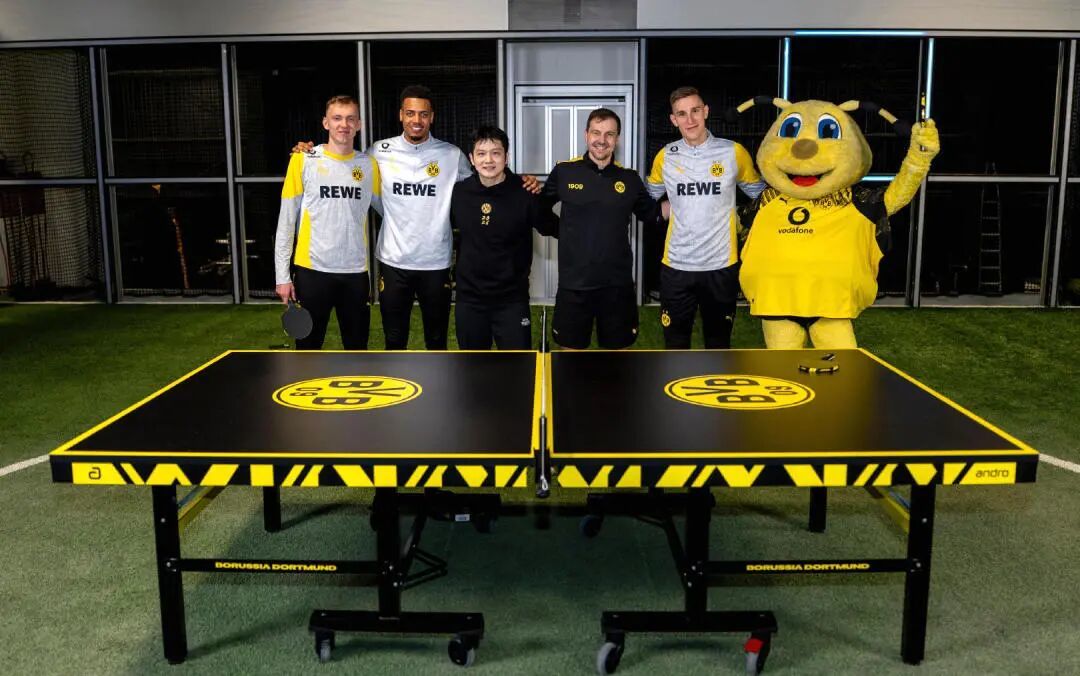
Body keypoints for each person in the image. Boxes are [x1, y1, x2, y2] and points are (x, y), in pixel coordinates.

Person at [293, 85, 539, 350]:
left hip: (436, 264)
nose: (416, 120)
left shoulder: (451, 155)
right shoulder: (379, 151)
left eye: (423, 114)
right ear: (401, 115)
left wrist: (519, 181)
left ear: (432, 117)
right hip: (393, 262)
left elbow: (487, 177)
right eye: (410, 113)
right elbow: (346, 161)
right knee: (394, 341)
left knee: (437, 342)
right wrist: (310, 151)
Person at [645, 86, 767, 349]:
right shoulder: (665, 156)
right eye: (682, 114)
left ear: (706, 112)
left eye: (695, 111)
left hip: (721, 267)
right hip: (676, 267)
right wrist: (668, 208)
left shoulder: (733, 152)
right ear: (673, 120)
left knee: (718, 345)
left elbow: (761, 195)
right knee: (675, 347)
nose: (690, 120)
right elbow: (646, 199)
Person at [540, 108, 663, 350]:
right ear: (586, 135)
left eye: (609, 134)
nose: (602, 140)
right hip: (574, 285)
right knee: (570, 361)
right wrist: (562, 231)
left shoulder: (629, 179)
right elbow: (539, 210)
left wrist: (684, 199)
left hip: (617, 286)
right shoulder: (564, 171)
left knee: (617, 362)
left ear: (617, 139)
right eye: (596, 132)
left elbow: (652, 214)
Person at [274, 94, 377, 350]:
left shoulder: (369, 166)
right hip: (312, 272)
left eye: (350, 119)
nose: (344, 124)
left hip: (355, 273)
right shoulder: (303, 160)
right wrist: (282, 276)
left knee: (357, 352)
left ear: (359, 124)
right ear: (325, 123)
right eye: (337, 118)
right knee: (307, 353)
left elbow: (393, 210)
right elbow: (286, 222)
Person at [450, 126, 557, 349]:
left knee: (518, 367)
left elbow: (557, 228)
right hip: (469, 300)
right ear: (471, 159)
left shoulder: (526, 192)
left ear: (506, 157)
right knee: (471, 366)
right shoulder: (459, 193)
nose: (488, 160)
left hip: (512, 301)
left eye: (496, 153)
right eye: (481, 153)